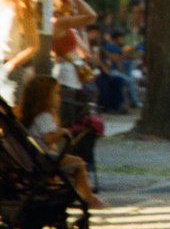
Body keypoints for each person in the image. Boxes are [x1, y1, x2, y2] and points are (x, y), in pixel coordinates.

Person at [18, 75, 106, 209]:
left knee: (72, 162)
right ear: (44, 97)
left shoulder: (36, 116)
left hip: (37, 157)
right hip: (44, 158)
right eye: (56, 93)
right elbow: (48, 138)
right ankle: (88, 197)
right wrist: (62, 132)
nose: (59, 97)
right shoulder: (44, 116)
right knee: (79, 163)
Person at [0, 0, 37, 107]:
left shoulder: (19, 4)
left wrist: (11, 65)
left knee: (7, 123)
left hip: (9, 70)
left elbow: (34, 45)